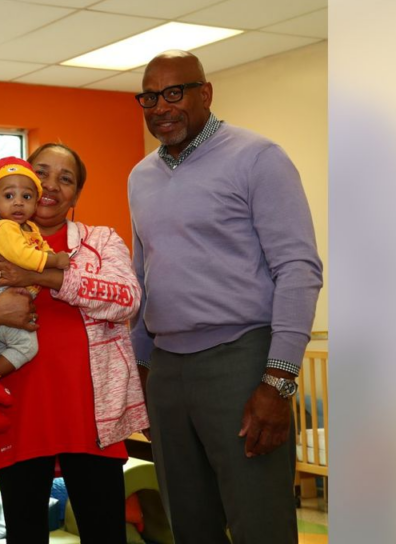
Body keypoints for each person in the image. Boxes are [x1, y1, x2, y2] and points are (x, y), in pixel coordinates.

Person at [128, 50, 323, 544]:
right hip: (167, 369)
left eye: (175, 93)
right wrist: (142, 371)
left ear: (206, 93)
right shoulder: (140, 177)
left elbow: (298, 269)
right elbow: (143, 278)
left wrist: (278, 381)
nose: (161, 107)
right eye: (149, 97)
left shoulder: (258, 158)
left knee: (260, 524)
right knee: (189, 525)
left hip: (240, 363)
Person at [0, 143, 148, 544]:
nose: (51, 185)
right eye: (41, 173)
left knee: (105, 533)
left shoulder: (99, 240)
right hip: (15, 414)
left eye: (65, 178)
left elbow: (127, 298)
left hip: (92, 417)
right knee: (25, 534)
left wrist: (42, 277)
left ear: (76, 194)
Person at [0, 157, 70, 432]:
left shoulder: (30, 229)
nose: (17, 203)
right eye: (9, 196)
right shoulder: (5, 228)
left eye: (26, 197)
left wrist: (49, 258)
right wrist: (54, 261)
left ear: (36, 202)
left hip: (14, 296)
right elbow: (22, 256)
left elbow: (40, 249)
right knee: (26, 347)